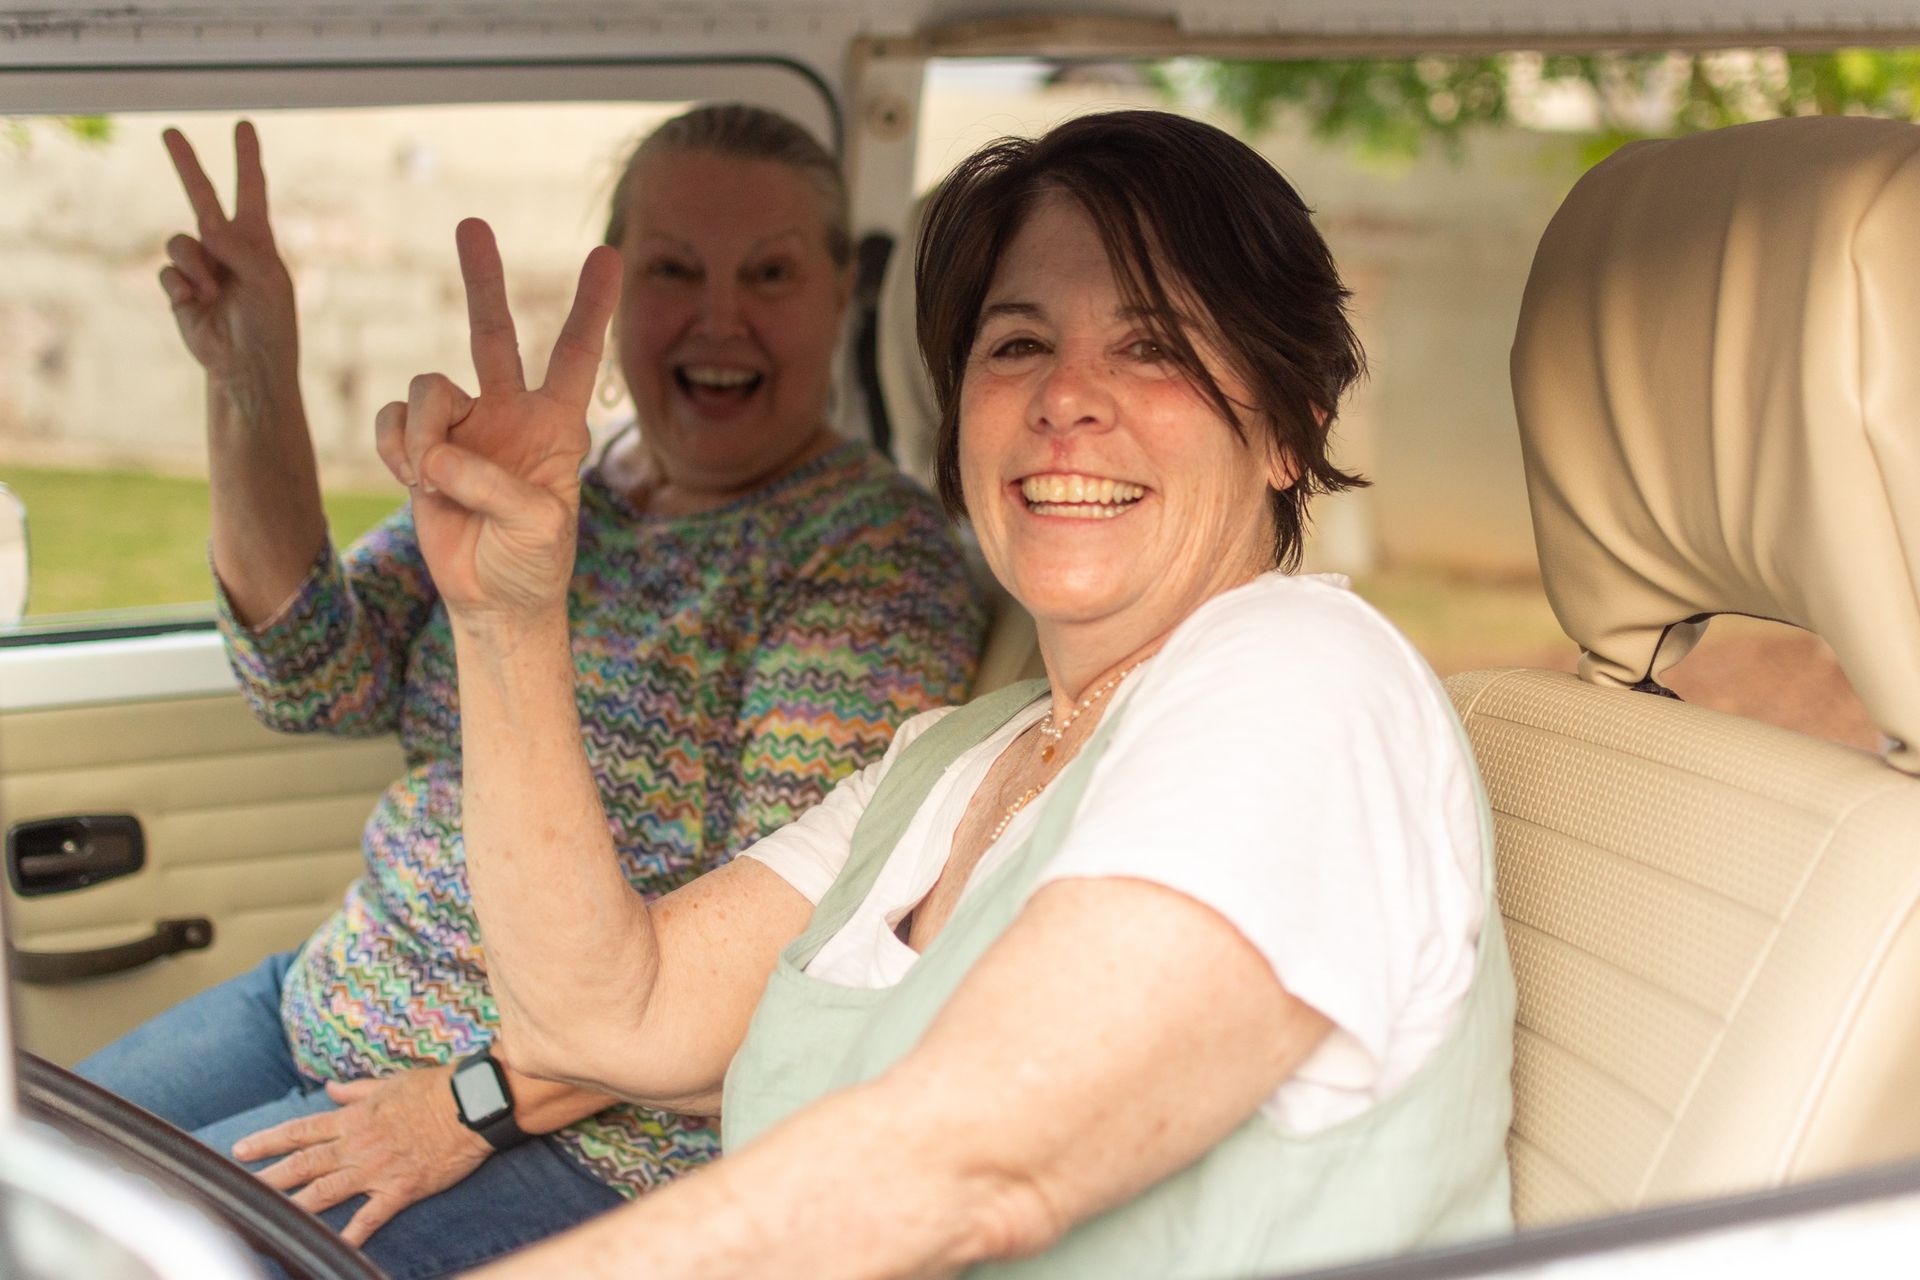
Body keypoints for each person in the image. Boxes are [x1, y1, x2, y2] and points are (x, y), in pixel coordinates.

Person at [389, 108, 1515, 1280]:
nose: (1066, 398)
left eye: (1153, 347)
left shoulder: (1303, 681)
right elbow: (607, 1014)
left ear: (1290, 428)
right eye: (1018, 344)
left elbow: (962, 1164)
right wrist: (507, 615)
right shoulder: (961, 754)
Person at [75, 104, 984, 1278]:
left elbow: (770, 955)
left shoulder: (869, 559)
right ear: (615, 291)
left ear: (837, 295)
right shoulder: (569, 480)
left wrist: (468, 1102)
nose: (720, 316)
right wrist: (254, 375)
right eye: (672, 267)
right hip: (332, 994)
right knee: (26, 1175)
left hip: (579, 1128)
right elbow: (313, 678)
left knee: (94, 1258)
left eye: (769, 271)